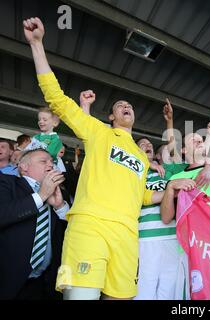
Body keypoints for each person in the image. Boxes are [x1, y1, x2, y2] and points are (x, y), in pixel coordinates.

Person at [23, 17, 163, 300]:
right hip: (89, 226)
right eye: (119, 105)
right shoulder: (98, 131)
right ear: (111, 116)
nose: (126, 106)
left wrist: (175, 187)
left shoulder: (141, 157)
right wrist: (37, 45)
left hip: (127, 236)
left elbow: (143, 195)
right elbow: (58, 100)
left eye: (129, 105)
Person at [0, 149, 69, 299]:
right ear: (23, 167)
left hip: (42, 285)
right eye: (43, 161)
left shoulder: (59, 194)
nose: (50, 165)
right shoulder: (6, 182)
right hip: (6, 280)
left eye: (52, 162)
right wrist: (41, 195)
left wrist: (60, 208)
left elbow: (69, 238)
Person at [134, 135, 195, 300]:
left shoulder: (168, 174)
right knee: (144, 290)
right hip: (145, 239)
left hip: (173, 238)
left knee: (168, 291)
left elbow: (190, 162)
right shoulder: (134, 174)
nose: (148, 145)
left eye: (149, 145)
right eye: (142, 144)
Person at [25, 107, 65, 172]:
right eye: (39, 119)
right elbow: (26, 151)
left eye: (45, 120)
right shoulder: (36, 137)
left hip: (46, 169)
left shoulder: (55, 139)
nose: (41, 122)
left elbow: (48, 154)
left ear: (55, 123)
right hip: (32, 166)